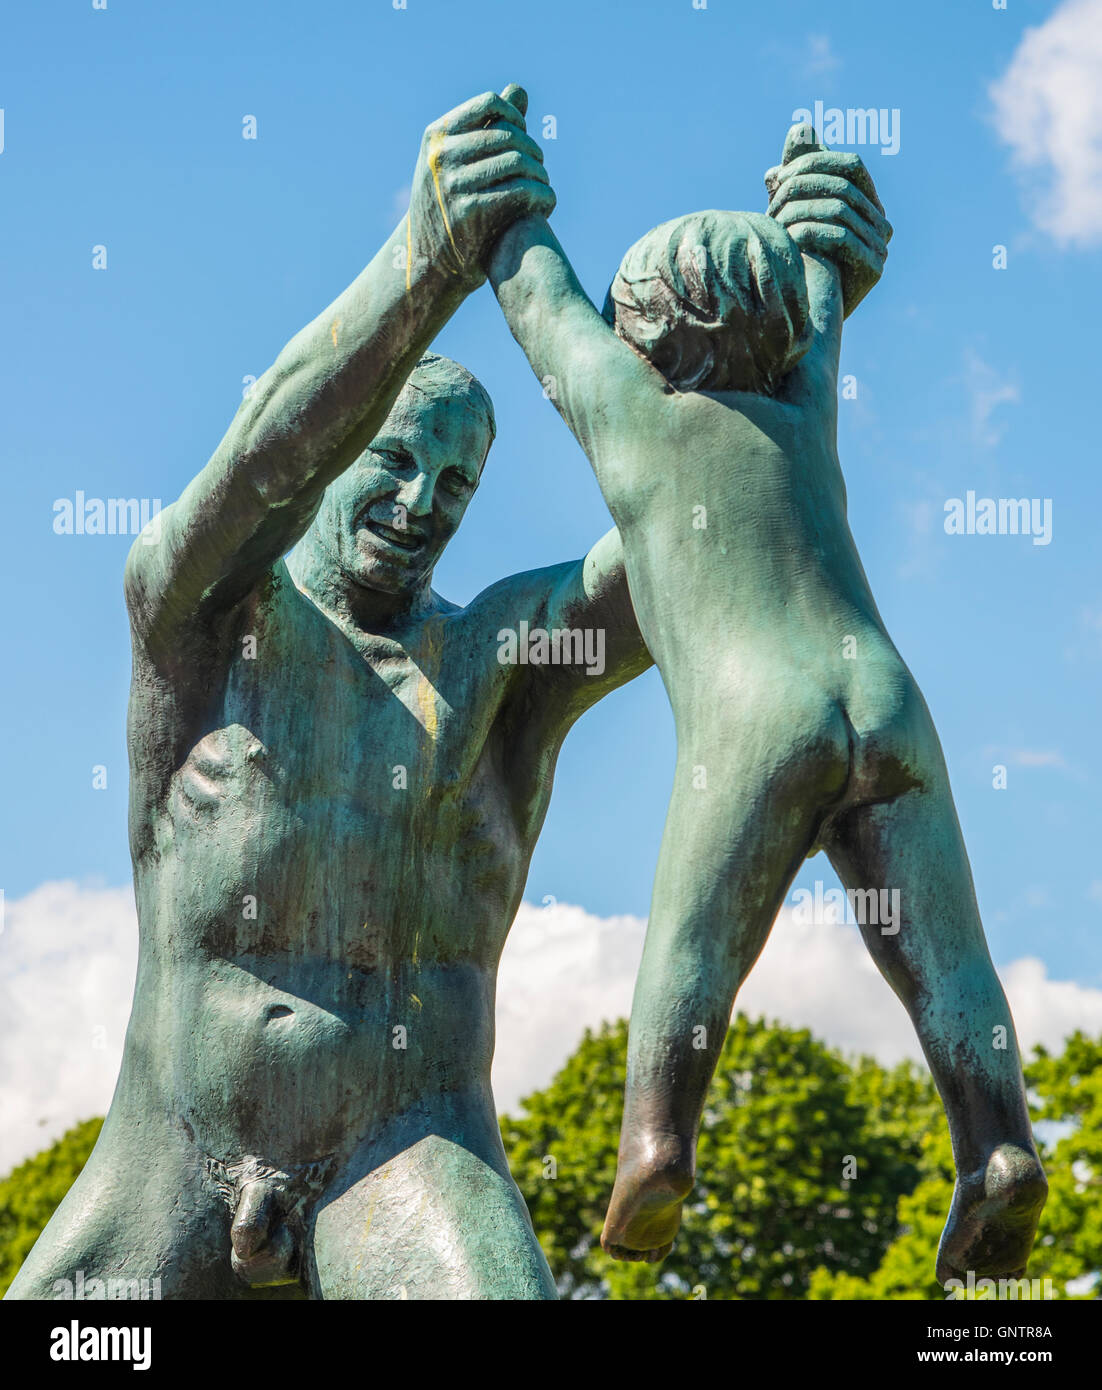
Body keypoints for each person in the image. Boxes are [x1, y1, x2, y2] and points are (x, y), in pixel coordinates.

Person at [8, 85, 653, 1301]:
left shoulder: (500, 664)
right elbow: (258, 460)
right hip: (171, 1167)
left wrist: (774, 371)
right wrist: (426, 260)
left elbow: (686, 554)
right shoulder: (202, 620)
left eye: (456, 483)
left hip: (402, 1153)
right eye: (395, 458)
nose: (422, 503)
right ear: (341, 445)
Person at [488, 123, 1046, 1283]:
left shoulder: (634, 416)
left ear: (641, 334)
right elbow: (824, 295)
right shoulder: (810, 411)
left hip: (758, 716)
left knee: (692, 937)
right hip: (889, 698)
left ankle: (655, 1142)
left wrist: (511, 201)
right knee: (946, 953)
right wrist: (805, 200)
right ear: (777, 327)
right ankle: (995, 1143)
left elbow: (541, 307)